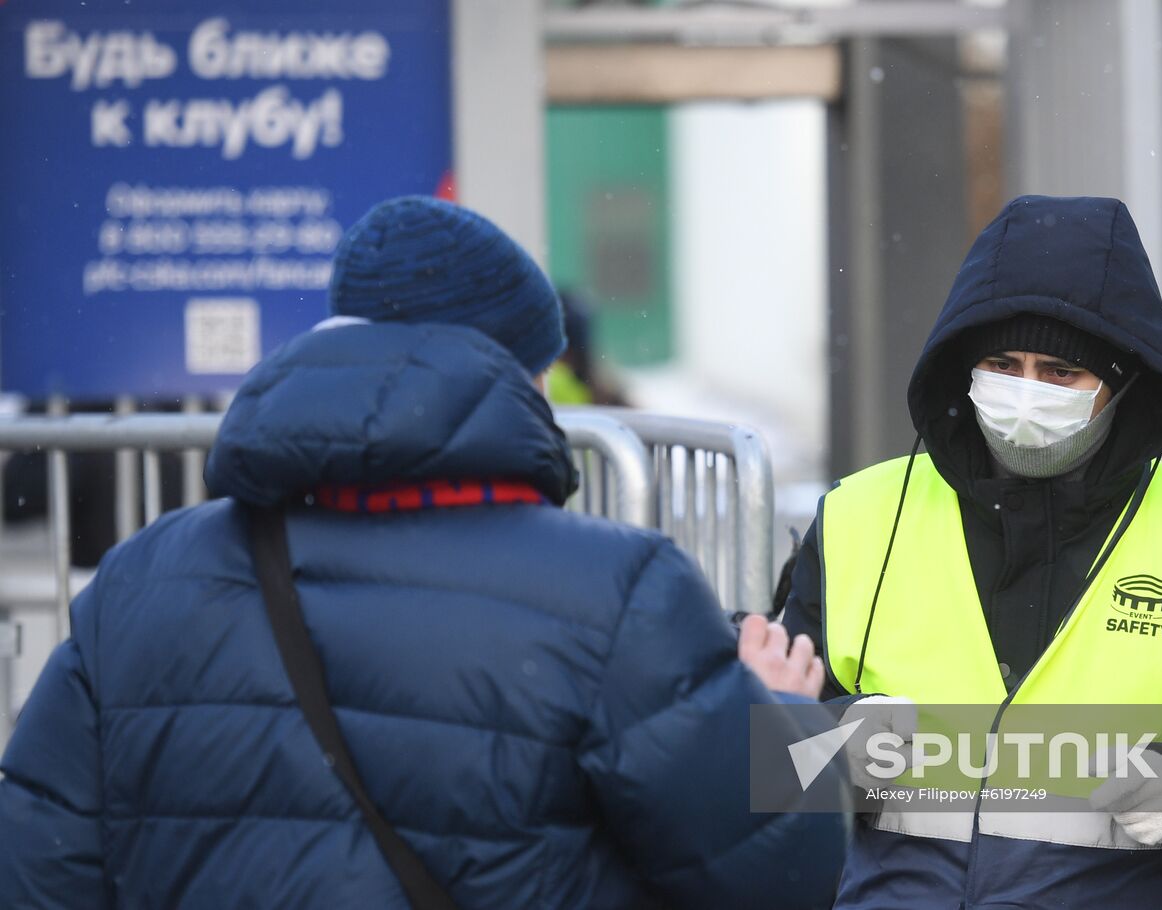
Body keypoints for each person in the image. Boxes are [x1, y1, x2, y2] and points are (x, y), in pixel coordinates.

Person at [0, 196, 848, 909]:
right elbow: (782, 877)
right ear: (511, 373)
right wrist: (776, 718)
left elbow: (37, 872)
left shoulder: (144, 580)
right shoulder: (614, 592)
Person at [782, 195, 1162, 907]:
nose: (1025, 394)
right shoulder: (857, 518)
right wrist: (832, 743)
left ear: (1121, 385)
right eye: (1003, 363)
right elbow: (762, 735)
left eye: (1061, 373)